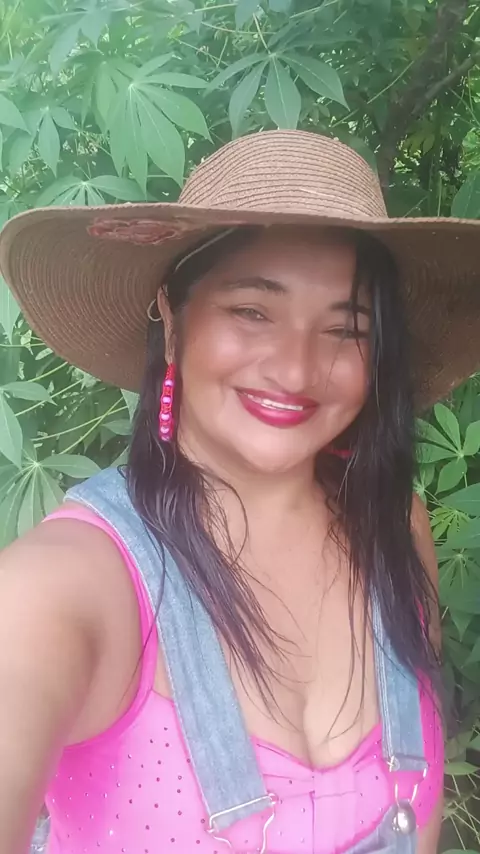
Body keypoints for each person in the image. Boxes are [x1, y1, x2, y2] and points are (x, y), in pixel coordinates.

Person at [2, 128, 478, 854]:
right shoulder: (64, 586)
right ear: (171, 315)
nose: (296, 369)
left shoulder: (395, 525)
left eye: (346, 328)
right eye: (252, 311)